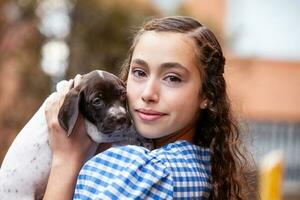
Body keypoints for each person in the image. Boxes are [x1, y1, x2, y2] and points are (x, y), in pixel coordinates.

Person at [43, 16, 250, 199]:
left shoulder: (147, 173)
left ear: (207, 94)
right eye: (140, 73)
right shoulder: (202, 167)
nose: (148, 93)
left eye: (172, 78)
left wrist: (65, 159)